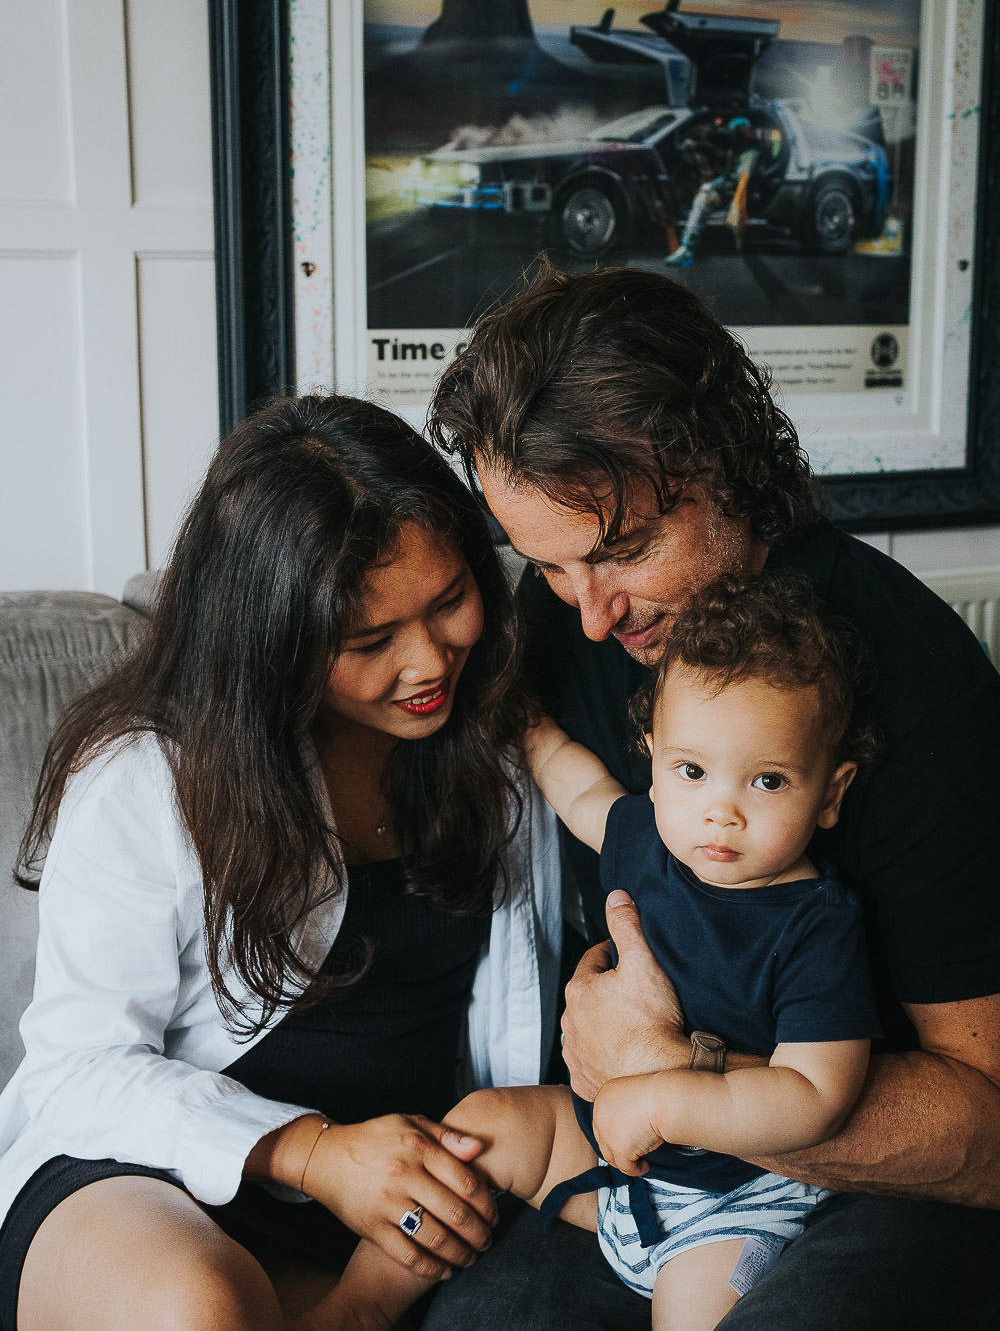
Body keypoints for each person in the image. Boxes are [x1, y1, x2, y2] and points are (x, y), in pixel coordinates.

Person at [422, 264, 1000, 1331]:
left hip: (855, 1194)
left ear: (722, 466)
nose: (591, 616)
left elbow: (988, 1130)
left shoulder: (922, 691)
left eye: (623, 551)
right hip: (635, 1160)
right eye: (548, 568)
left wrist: (672, 1070)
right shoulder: (570, 621)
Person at [0, 394, 562, 1331]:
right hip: (150, 1185)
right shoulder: (151, 777)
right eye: (370, 642)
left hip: (395, 1204)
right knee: (201, 1312)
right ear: (276, 644)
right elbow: (78, 1071)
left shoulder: (498, 741)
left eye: (450, 601)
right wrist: (311, 1152)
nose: (429, 663)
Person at [323, 571, 881, 1331]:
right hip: (607, 1161)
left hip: (736, 1199)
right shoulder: (650, 834)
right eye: (691, 771)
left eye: (769, 781)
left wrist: (659, 1094)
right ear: (653, 761)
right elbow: (575, 786)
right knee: (479, 1129)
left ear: (830, 793)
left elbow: (818, 1095)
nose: (721, 811)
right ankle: (353, 1310)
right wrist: (524, 724)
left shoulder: (815, 922)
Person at [665, 117, 759, 266]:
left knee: (704, 197)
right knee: (701, 190)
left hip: (739, 196)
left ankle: (687, 247)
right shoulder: (733, 151)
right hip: (730, 191)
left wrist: (715, 187)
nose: (732, 137)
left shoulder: (750, 154)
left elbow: (741, 180)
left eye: (736, 133)